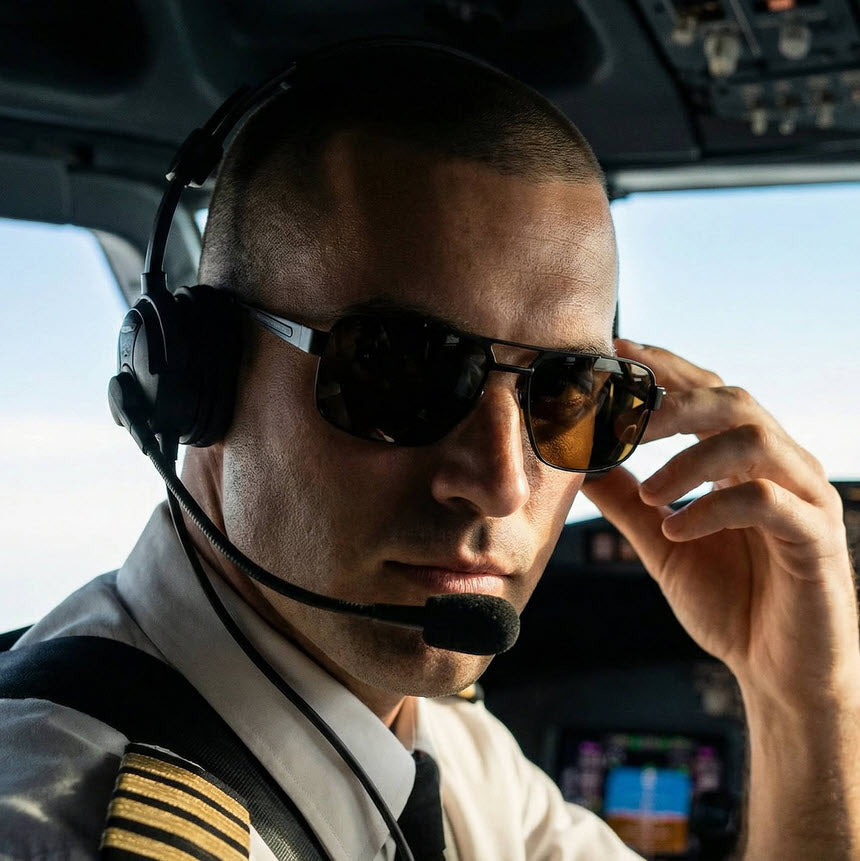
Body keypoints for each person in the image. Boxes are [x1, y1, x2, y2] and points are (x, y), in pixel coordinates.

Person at [1, 42, 858, 860]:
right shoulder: (61, 828)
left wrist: (800, 700)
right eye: (397, 370)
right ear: (198, 380)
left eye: (567, 391)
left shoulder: (446, 751)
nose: (499, 481)